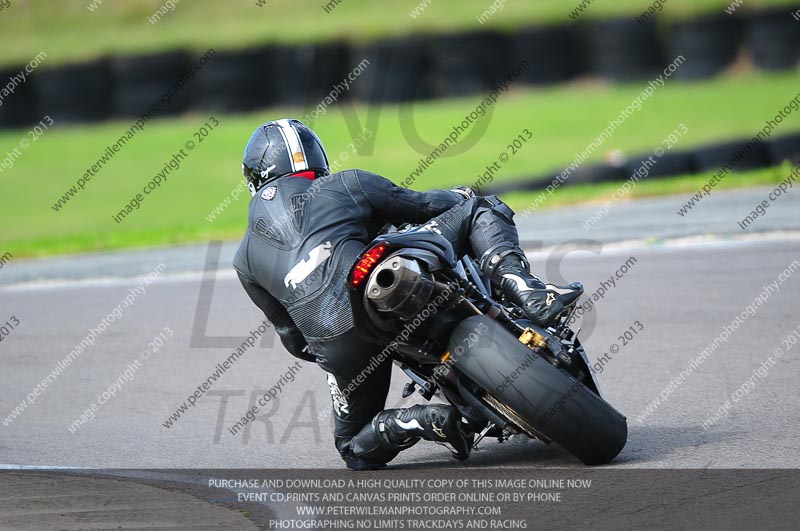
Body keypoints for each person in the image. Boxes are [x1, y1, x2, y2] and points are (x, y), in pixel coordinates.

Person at [233, 118, 582, 470]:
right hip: (379, 279)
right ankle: (525, 289)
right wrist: (460, 196)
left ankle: (413, 420)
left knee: (353, 448)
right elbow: (424, 205)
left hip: (335, 338)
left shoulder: (244, 258)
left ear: (254, 177)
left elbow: (293, 340)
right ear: (317, 160)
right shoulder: (347, 181)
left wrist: (338, 353)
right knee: (480, 207)